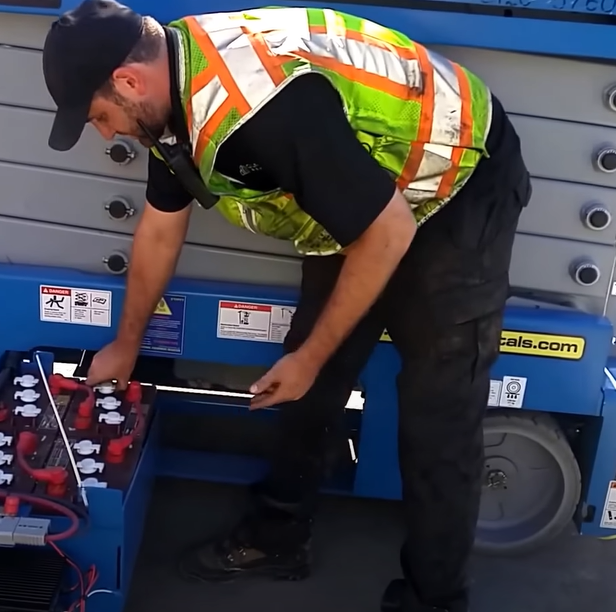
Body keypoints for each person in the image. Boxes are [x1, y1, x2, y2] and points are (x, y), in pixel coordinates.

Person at [42, 2, 532, 611]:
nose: (107, 132)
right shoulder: (173, 96)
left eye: (100, 116)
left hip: (458, 179)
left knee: (438, 407)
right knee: (307, 373)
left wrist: (312, 356)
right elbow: (160, 229)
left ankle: (435, 599)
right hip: (363, 192)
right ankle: (278, 536)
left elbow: (387, 232)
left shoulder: (257, 109)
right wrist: (127, 343)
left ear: (128, 81)